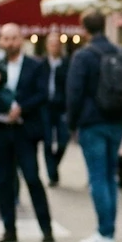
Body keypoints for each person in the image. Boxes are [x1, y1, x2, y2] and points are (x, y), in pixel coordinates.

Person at [65, 10, 122, 242]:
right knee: (110, 177)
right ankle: (108, 229)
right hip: (117, 122)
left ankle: (105, 232)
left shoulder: (83, 56)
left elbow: (74, 93)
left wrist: (71, 124)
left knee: (97, 178)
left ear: (85, 29)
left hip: (92, 123)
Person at [0, 24, 54, 242]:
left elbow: (42, 94)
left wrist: (22, 108)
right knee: (3, 181)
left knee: (31, 178)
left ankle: (46, 228)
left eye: (14, 39)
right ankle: (9, 229)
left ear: (21, 40)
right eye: (6, 39)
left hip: (24, 131)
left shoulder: (35, 66)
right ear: (1, 41)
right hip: (0, 131)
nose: (10, 43)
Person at [42, 34, 71, 187]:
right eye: (51, 44)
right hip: (46, 107)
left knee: (62, 141)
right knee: (47, 142)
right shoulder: (42, 64)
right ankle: (52, 174)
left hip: (61, 108)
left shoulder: (67, 64)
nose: (54, 47)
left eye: (56, 44)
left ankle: (54, 164)